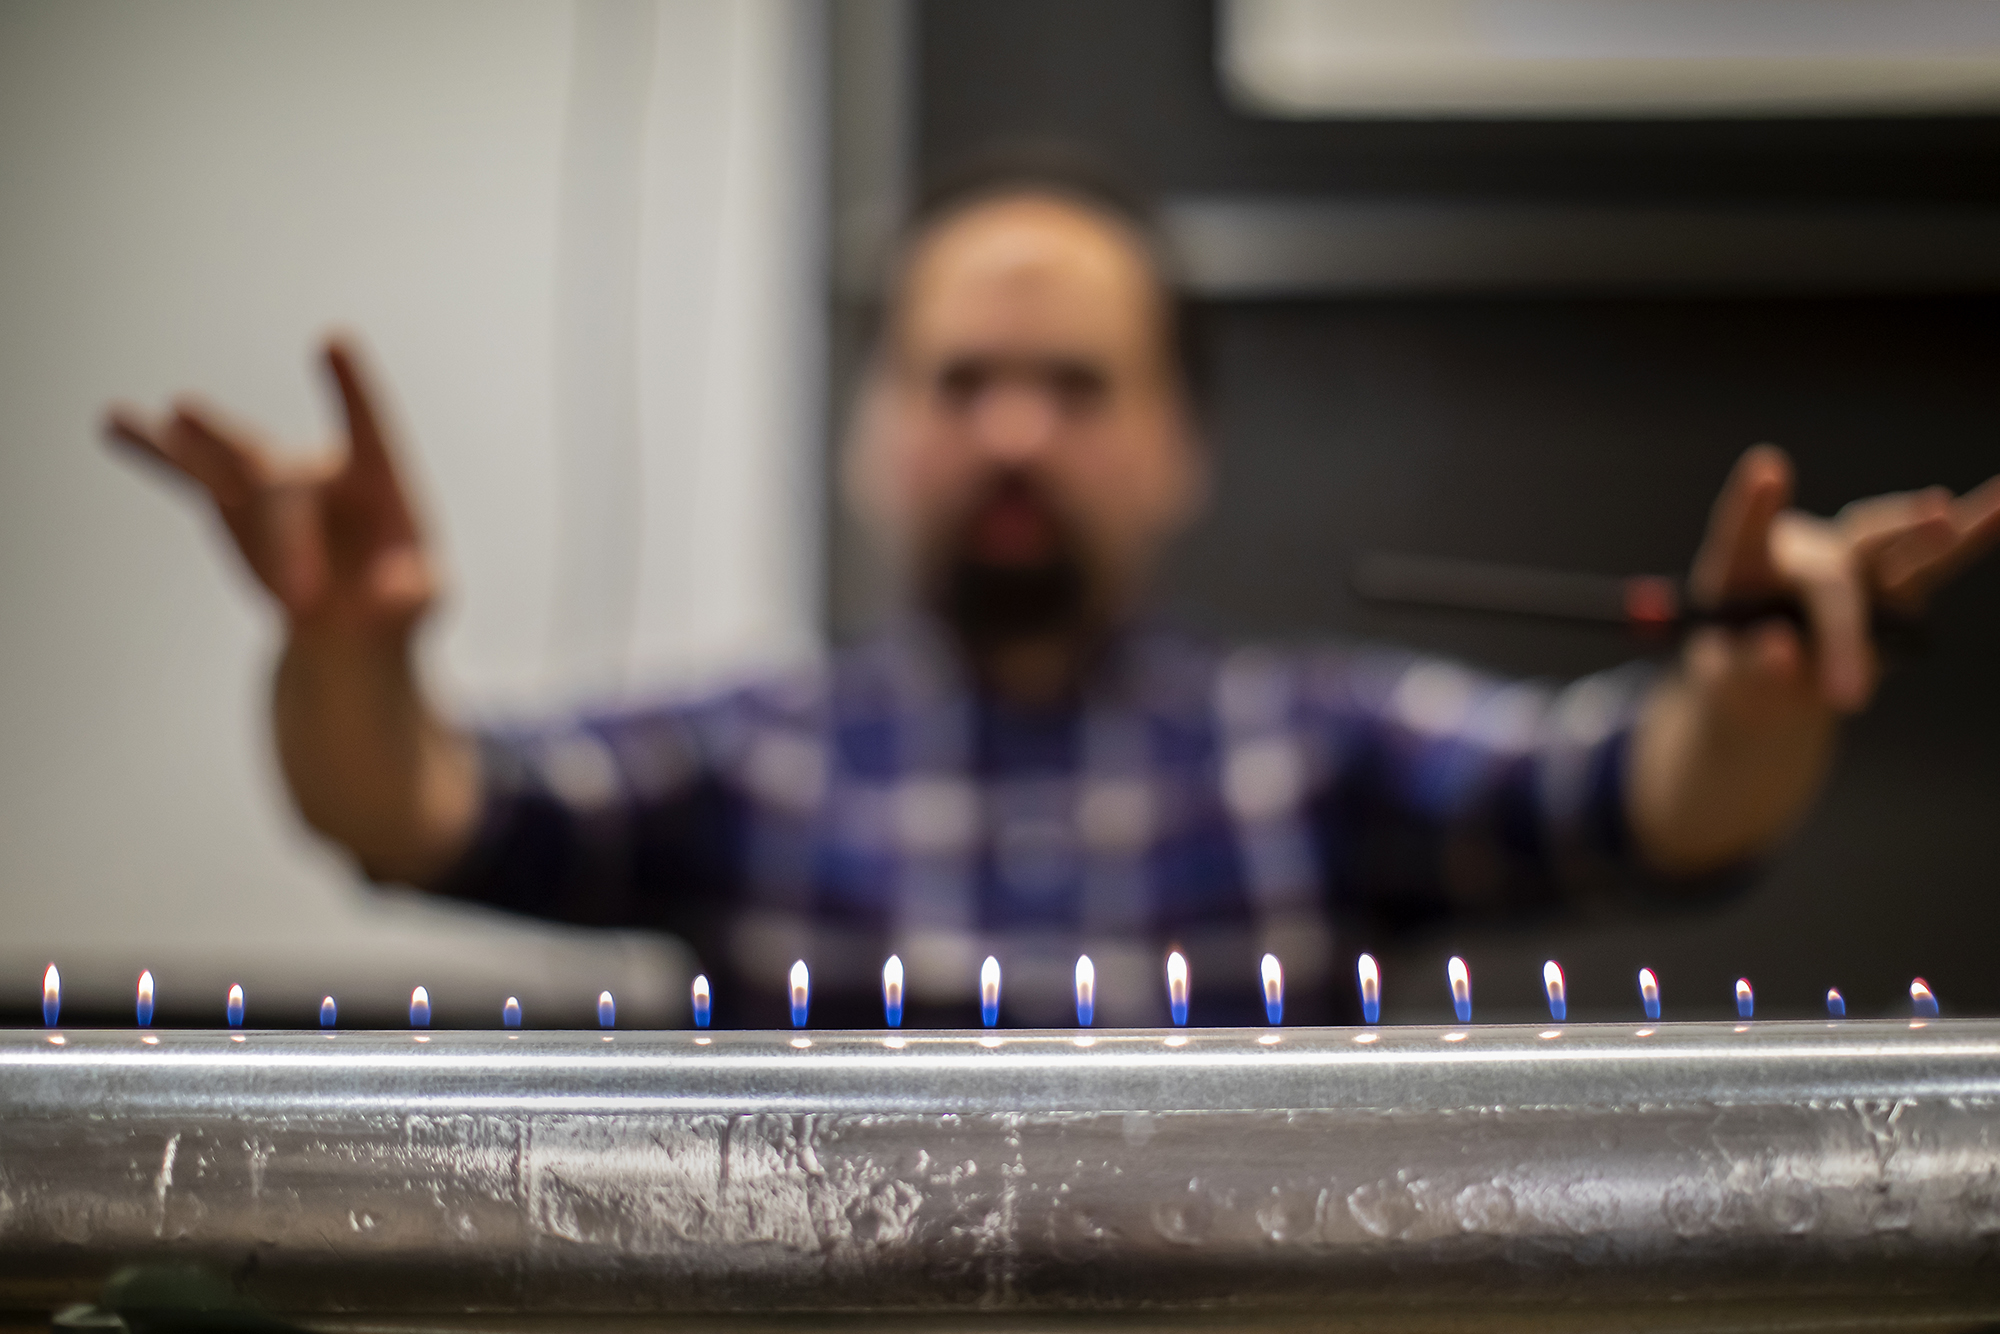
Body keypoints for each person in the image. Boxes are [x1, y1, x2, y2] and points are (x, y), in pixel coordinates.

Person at [106, 165, 2000, 1028]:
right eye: (956, 381)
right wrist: (345, 650)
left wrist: (1754, 687)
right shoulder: (748, 754)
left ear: (1179, 444)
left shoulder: (1313, 746)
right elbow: (404, 802)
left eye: (1078, 385)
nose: (1012, 428)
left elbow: (1645, 801)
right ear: (872, 433)